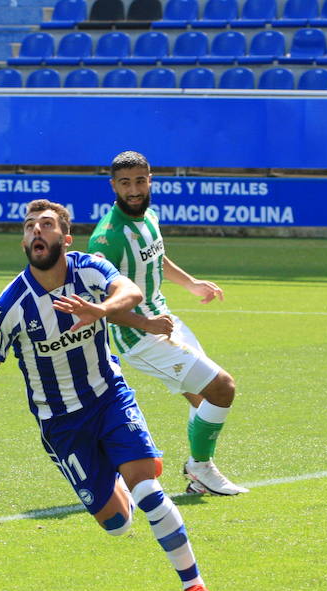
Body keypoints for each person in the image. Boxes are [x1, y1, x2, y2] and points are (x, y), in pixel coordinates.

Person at [0, 200, 220, 591]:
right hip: (60, 424)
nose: (36, 232)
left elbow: (129, 291)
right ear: (24, 242)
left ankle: (194, 584)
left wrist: (107, 312)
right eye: (28, 227)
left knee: (148, 487)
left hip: (108, 397)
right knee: (116, 525)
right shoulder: (9, 307)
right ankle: (115, 480)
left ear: (65, 237)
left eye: (45, 225)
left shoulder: (87, 269)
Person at [88, 151, 248, 497]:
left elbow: (157, 259)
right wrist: (145, 325)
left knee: (206, 398)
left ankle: (198, 474)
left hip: (164, 322)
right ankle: (200, 467)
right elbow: (105, 307)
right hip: (139, 337)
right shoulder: (106, 238)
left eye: (140, 181)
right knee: (223, 388)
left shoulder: (149, 217)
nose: (134, 190)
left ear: (150, 180)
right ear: (113, 186)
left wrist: (191, 284)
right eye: (125, 183)